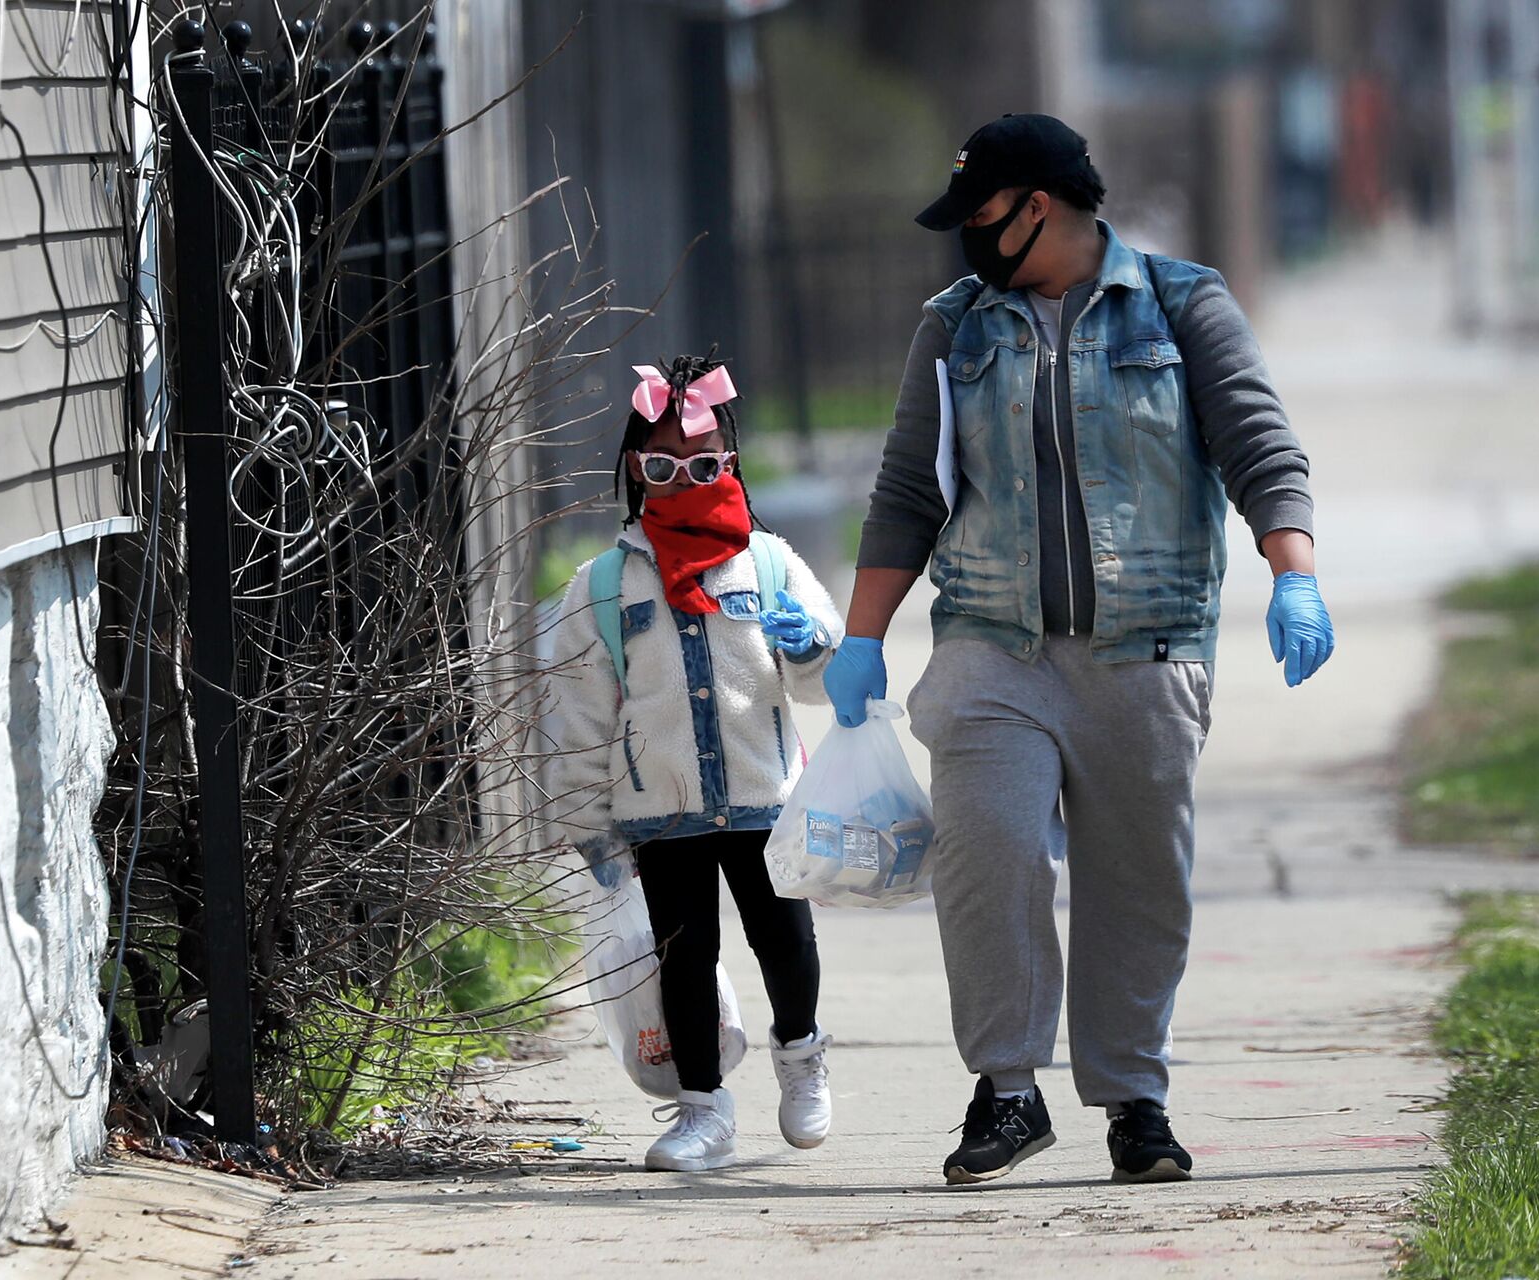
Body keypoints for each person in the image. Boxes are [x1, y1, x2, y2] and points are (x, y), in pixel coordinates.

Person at [824, 115, 1334, 1186]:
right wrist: (863, 637)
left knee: (1139, 884)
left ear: (1037, 207)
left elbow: (1258, 444)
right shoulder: (955, 328)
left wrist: (1295, 574)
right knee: (988, 854)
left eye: (980, 213)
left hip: (1145, 647)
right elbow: (909, 491)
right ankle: (1007, 1089)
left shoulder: (1183, 305)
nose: (967, 234)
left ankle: (1134, 1100)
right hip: (990, 645)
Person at [546, 353, 845, 1172]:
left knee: (785, 940)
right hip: (660, 808)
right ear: (636, 469)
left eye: (704, 465)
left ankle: (800, 1053)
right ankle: (703, 1109)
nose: (684, 481)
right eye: (664, 465)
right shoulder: (602, 587)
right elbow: (574, 717)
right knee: (684, 957)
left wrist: (811, 645)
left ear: (731, 464)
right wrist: (588, 827)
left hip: (763, 797)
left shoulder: (771, 563)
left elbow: (823, 679)